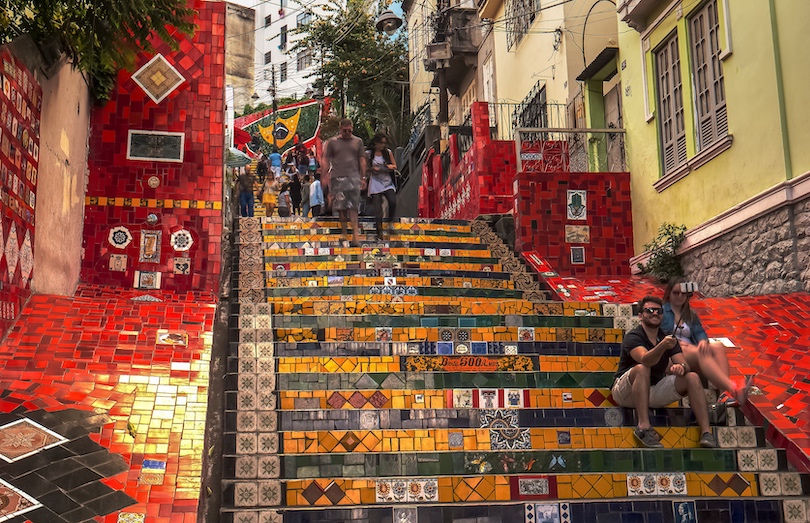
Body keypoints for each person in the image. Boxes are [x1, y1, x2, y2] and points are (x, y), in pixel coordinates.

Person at [611, 296, 717, 449]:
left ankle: (707, 433)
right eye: (650, 310)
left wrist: (681, 367)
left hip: (653, 391)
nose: (655, 313)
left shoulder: (668, 337)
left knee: (692, 377)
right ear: (640, 315)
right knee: (642, 369)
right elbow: (645, 360)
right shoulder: (634, 337)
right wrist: (662, 346)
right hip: (625, 392)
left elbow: (684, 363)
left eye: (659, 311)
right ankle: (643, 427)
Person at [663, 278, 746, 405]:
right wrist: (675, 342)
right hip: (672, 356)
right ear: (669, 293)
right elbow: (658, 335)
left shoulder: (690, 314)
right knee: (698, 352)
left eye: (683, 293)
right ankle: (733, 388)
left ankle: (724, 394)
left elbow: (700, 332)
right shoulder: (662, 312)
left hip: (691, 352)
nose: (680, 296)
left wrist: (703, 341)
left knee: (717, 346)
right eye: (676, 293)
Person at [323, 118, 366, 246]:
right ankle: (344, 233)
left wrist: (363, 177)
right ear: (340, 129)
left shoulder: (358, 142)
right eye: (345, 130)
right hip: (337, 177)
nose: (347, 133)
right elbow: (326, 158)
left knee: (353, 208)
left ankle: (355, 236)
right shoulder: (333, 142)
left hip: (354, 178)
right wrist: (324, 176)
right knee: (341, 208)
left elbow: (362, 159)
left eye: (349, 130)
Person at [366, 132, 398, 239]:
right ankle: (379, 230)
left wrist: (386, 167)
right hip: (375, 182)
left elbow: (394, 166)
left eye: (384, 143)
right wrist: (372, 169)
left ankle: (390, 222)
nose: (383, 145)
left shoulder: (387, 153)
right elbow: (364, 167)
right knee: (378, 208)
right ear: (376, 143)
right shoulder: (369, 154)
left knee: (392, 201)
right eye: (381, 143)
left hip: (387, 182)